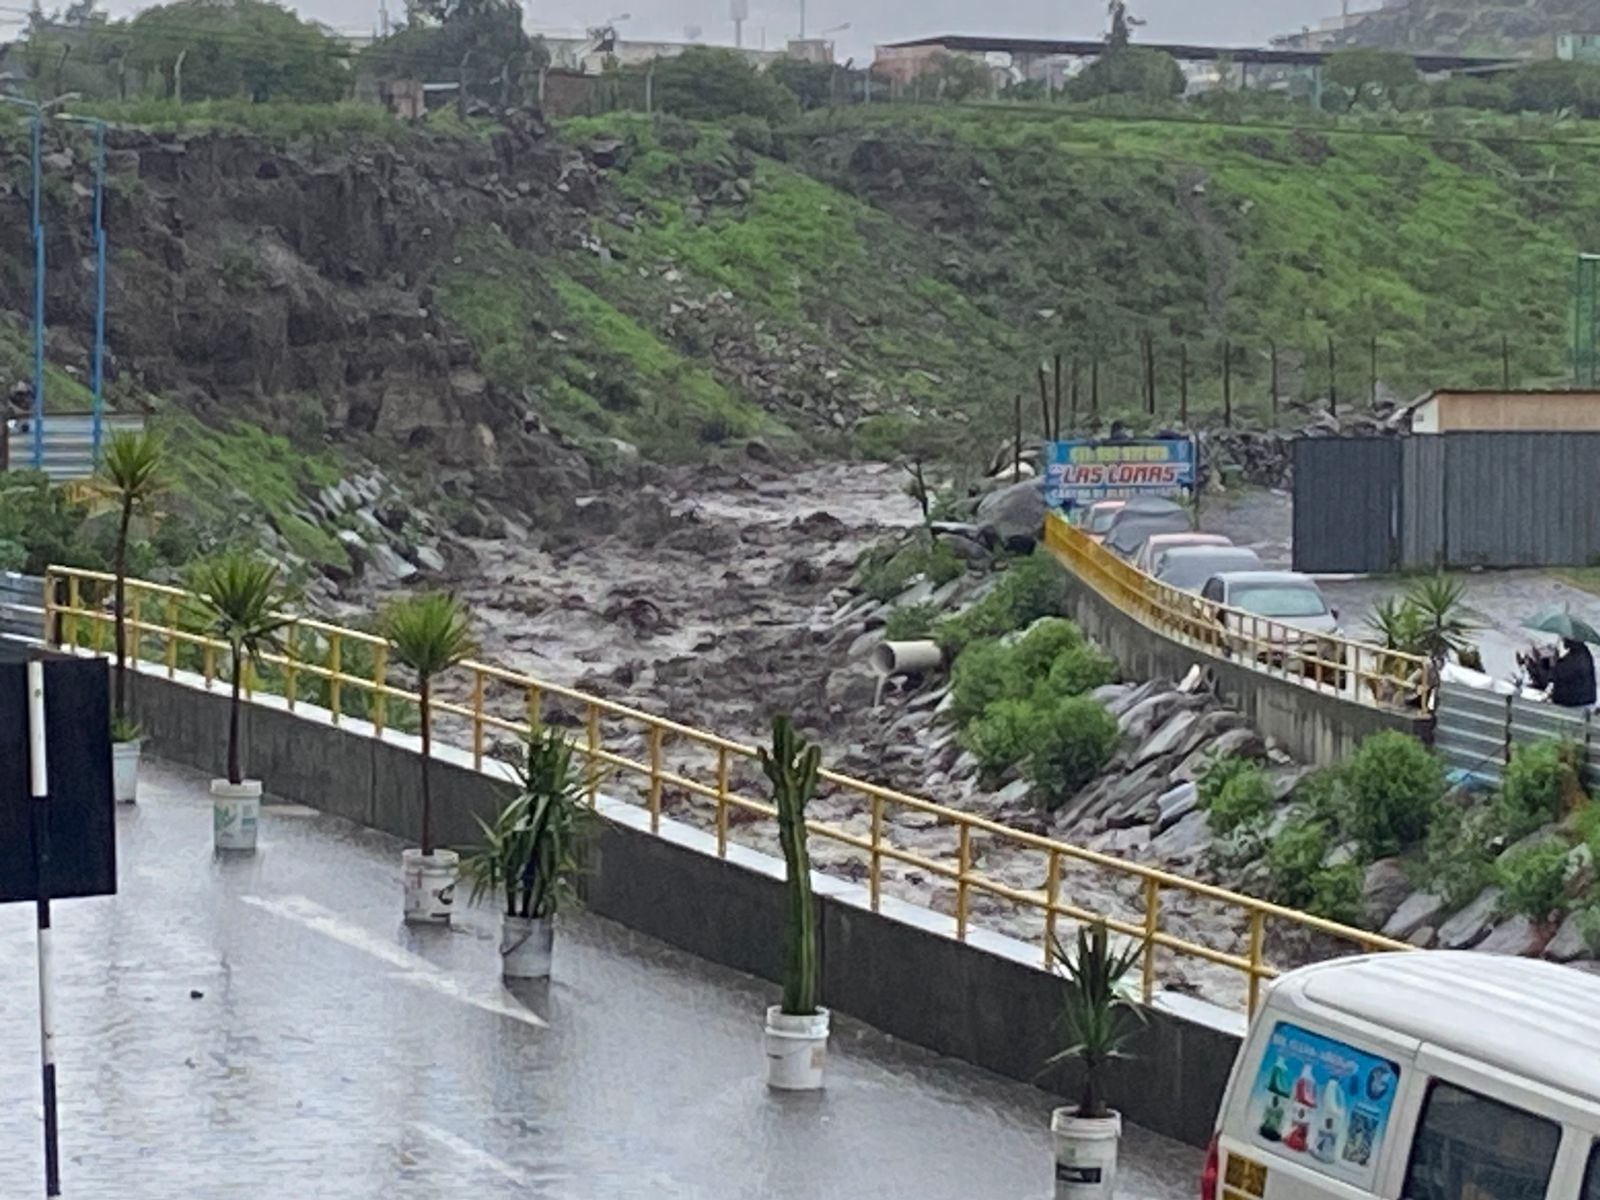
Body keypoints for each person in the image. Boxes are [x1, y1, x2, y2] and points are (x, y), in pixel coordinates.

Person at [1523, 638, 1596, 708]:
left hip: (1575, 703)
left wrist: (1532, 667)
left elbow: (1552, 677)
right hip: (1582, 701)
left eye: (1564, 638)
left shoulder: (1575, 658)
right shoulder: (1582, 653)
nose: (1562, 640)